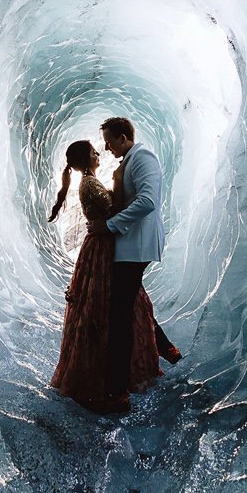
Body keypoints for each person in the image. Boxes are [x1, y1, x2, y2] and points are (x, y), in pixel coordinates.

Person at [47, 139, 164, 413]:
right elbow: (114, 210)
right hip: (102, 249)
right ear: (85, 160)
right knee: (111, 308)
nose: (98, 153)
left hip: (102, 246)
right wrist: (122, 182)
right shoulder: (89, 183)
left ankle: (146, 359)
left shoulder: (89, 182)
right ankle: (109, 380)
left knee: (126, 303)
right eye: (93, 152)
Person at [91, 116, 180, 408]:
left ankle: (118, 389)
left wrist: (110, 225)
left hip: (136, 247)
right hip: (130, 247)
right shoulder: (129, 160)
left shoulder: (143, 158)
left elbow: (147, 202)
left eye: (108, 142)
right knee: (132, 302)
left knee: (120, 316)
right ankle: (165, 348)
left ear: (122, 138)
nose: (106, 149)